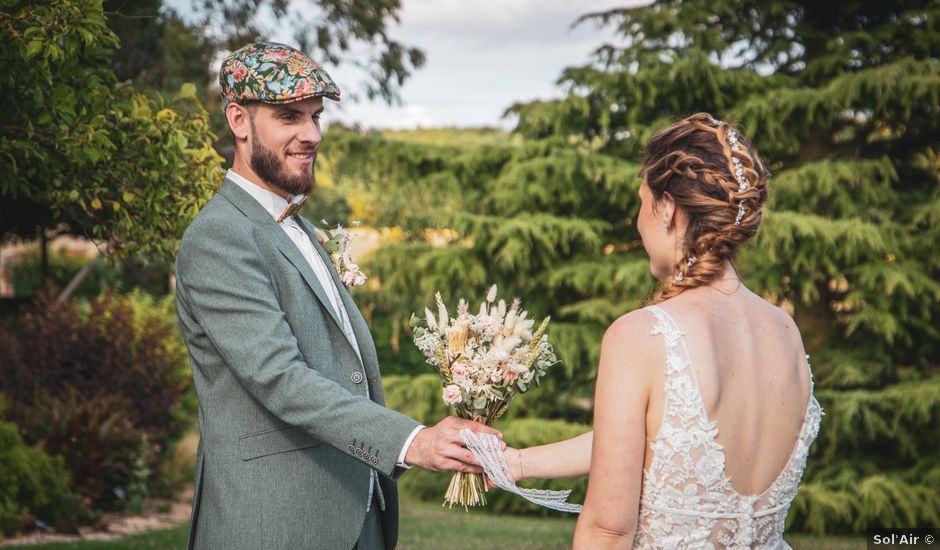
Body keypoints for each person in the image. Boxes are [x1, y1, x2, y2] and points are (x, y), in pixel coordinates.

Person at [174, 42, 499, 550]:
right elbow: (280, 379)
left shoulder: (295, 226)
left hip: (357, 512)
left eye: (316, 117)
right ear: (239, 120)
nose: (311, 135)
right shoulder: (220, 236)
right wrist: (413, 441)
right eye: (289, 117)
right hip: (275, 524)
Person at [499, 113, 822, 548]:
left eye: (641, 201)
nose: (638, 221)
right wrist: (516, 462)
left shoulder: (642, 336)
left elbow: (609, 528)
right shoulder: (785, 330)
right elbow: (656, 439)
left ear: (667, 207)